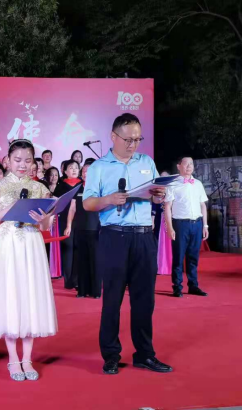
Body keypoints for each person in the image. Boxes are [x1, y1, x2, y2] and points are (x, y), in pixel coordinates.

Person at [83, 113, 172, 375]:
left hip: (144, 236)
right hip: (114, 236)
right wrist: (109, 199)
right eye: (128, 139)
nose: (133, 144)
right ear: (113, 137)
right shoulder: (99, 167)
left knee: (145, 300)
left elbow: (156, 196)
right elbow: (88, 203)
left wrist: (159, 196)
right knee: (112, 299)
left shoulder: (146, 162)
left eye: (137, 139)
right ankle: (111, 355)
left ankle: (145, 354)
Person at [0, 139, 57, 381]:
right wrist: (10, 210)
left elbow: (46, 226)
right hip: (8, 244)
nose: (22, 165)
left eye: (27, 160)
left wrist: (44, 219)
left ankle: (27, 358)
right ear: (7, 161)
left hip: (32, 244)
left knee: (30, 296)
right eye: (17, 160)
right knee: (11, 296)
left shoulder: (39, 188)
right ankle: (13, 359)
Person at [165, 157, 209, 297]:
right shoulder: (172, 184)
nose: (189, 166)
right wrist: (170, 227)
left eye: (191, 164)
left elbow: (203, 205)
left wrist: (205, 225)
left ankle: (193, 285)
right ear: (179, 166)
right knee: (178, 257)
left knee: (193, 257)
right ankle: (177, 287)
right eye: (186, 164)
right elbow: (167, 207)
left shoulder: (198, 184)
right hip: (180, 224)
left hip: (197, 224)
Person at [74, 158, 101, 298]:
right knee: (82, 260)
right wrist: (69, 225)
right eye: (84, 171)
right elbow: (72, 208)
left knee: (95, 260)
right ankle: (82, 291)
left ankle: (96, 291)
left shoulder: (99, 188)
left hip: (95, 228)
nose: (85, 173)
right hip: (80, 228)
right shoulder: (77, 188)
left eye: (88, 171)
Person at [54, 160, 81, 290]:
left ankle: (77, 280)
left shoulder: (83, 184)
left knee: (78, 249)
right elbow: (55, 203)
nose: (74, 170)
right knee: (68, 250)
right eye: (71, 168)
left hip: (81, 220)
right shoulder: (61, 186)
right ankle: (68, 280)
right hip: (65, 220)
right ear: (65, 171)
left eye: (76, 167)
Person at [45, 167, 62, 278]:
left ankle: (56, 271)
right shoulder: (44, 188)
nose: (54, 177)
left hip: (58, 218)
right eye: (51, 175)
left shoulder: (62, 187)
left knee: (56, 243)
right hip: (46, 217)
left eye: (56, 175)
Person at [155, 171, 172, 275]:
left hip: (172, 218)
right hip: (159, 218)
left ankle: (173, 266)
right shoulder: (156, 190)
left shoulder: (172, 190)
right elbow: (154, 204)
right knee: (160, 242)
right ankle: (161, 266)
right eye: (162, 177)